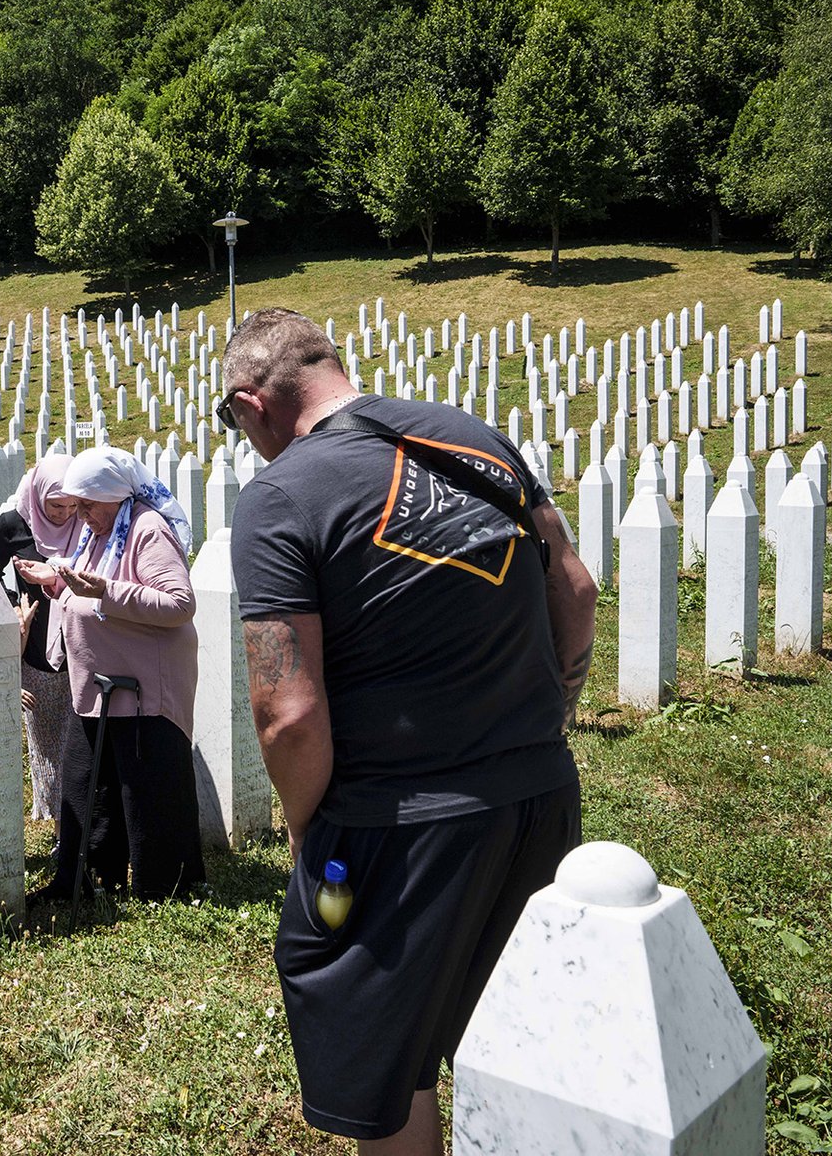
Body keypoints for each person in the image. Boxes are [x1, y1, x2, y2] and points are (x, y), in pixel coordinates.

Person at [220, 308, 599, 1155]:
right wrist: (551, 723)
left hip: (396, 827)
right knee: (526, 1047)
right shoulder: (477, 440)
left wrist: (306, 826)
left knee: (390, 1071)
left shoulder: (281, 495)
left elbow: (287, 711)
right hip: (540, 794)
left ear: (253, 405)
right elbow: (573, 590)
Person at [17, 446, 203, 903]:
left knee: (147, 789)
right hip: (100, 685)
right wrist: (56, 580)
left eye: (87, 504)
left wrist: (107, 592)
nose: (80, 515)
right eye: (74, 504)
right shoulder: (99, 530)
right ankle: (84, 879)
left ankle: (164, 889)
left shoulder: (146, 529)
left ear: (116, 495)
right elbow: (91, 581)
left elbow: (179, 604)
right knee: (85, 783)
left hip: (145, 688)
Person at [0, 453, 81, 821]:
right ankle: (55, 811)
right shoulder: (14, 524)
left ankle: (76, 811)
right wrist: (12, 606)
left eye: (72, 504)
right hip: (37, 637)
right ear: (39, 496)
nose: (64, 513)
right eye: (56, 505)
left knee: (78, 737)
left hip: (80, 637)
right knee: (46, 735)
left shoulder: (83, 520)